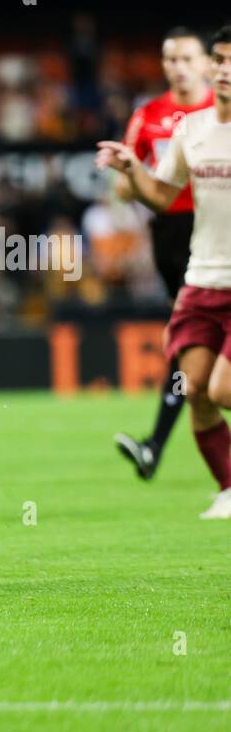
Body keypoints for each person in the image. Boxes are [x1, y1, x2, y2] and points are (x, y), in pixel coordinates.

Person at [97, 26, 231, 519]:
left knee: (220, 388)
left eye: (227, 60)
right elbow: (156, 195)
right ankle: (228, 487)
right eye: (219, 59)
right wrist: (131, 168)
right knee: (194, 387)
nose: (223, 69)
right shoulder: (182, 128)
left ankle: (156, 444)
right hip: (196, 267)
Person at [112, 28, 213, 480]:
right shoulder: (149, 116)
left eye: (187, 58)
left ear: (208, 63)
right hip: (171, 237)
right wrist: (138, 176)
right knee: (190, 340)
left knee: (189, 339)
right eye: (170, 58)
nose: (178, 66)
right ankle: (157, 444)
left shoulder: (220, 113)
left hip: (215, 228)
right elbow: (122, 184)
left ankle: (155, 444)